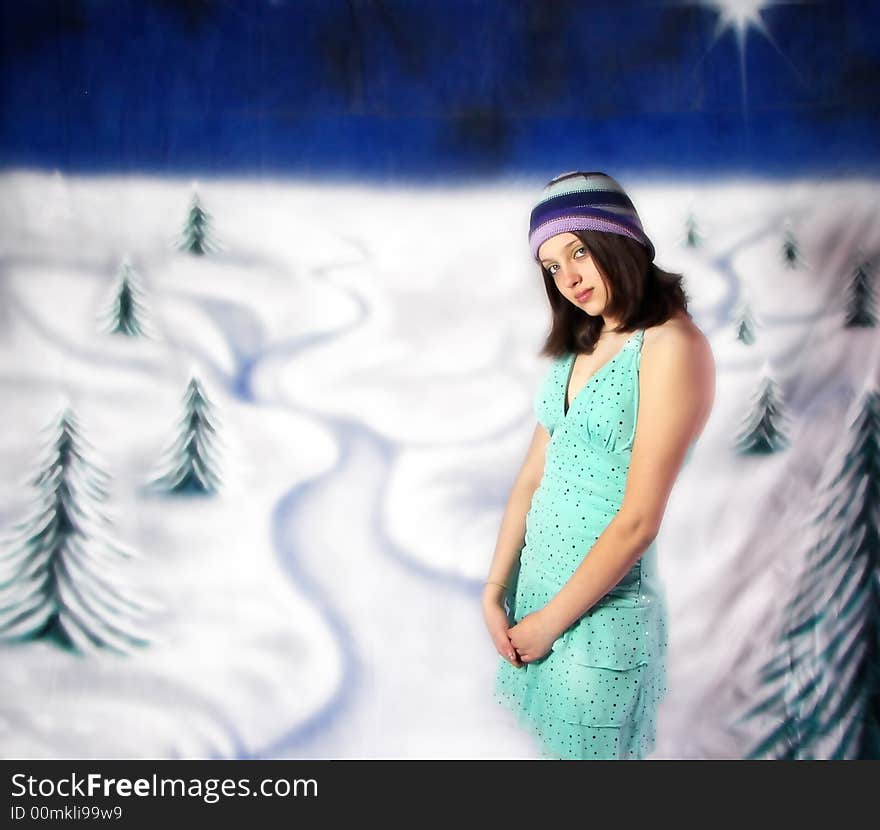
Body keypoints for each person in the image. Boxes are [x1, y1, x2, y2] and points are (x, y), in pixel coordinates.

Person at [483, 170, 715, 760]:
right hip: (535, 607)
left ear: (621, 239)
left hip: (596, 620)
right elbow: (531, 481)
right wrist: (496, 590)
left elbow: (639, 520)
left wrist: (550, 622)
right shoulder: (583, 345)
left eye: (579, 251)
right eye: (553, 266)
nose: (569, 279)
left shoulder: (671, 347)